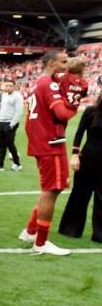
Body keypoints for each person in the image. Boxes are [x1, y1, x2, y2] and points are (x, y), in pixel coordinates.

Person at [20, 49, 74, 256]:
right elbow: (62, 113)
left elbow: (29, 121)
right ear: (52, 63)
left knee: (53, 189)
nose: (66, 65)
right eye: (63, 61)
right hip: (51, 143)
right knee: (52, 189)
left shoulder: (38, 83)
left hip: (43, 142)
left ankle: (31, 231)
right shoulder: (48, 83)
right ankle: (40, 242)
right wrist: (75, 106)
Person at [59, 91, 102, 242]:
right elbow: (79, 133)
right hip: (88, 159)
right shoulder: (91, 111)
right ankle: (70, 229)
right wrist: (75, 154)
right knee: (79, 195)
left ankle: (99, 235)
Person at [49, 56, 88, 145]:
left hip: (64, 104)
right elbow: (84, 94)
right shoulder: (84, 83)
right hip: (73, 109)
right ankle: (61, 135)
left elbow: (52, 76)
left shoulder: (65, 76)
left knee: (56, 117)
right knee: (63, 120)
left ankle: (59, 136)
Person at [0, 80, 23, 171]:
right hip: (2, 122)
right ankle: (0, 164)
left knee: (10, 144)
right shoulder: (4, 95)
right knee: (1, 144)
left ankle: (17, 163)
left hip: (10, 123)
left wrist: (12, 124)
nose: (8, 87)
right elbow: (2, 108)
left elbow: (19, 112)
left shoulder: (18, 96)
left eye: (10, 86)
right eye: (7, 85)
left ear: (14, 86)